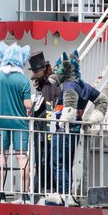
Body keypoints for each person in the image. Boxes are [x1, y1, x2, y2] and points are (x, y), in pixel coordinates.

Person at [0, 43, 33, 201]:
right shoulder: (24, 80)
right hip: (20, 124)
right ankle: (25, 194)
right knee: (22, 158)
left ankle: (0, 193)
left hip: (0, 124)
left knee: (1, 157)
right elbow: (28, 105)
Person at [27, 51, 64, 203]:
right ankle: (42, 188)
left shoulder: (50, 86)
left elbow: (50, 109)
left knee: (46, 159)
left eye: (36, 72)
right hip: (41, 130)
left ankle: (45, 189)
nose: (34, 76)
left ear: (43, 70)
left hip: (47, 131)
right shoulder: (43, 87)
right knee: (42, 159)